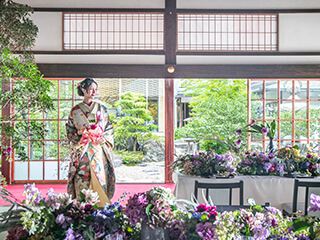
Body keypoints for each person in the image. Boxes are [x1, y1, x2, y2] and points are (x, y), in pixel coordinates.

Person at [66, 78, 115, 207]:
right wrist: (79, 134)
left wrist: (103, 138)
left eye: (95, 89)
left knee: (99, 176)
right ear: (83, 90)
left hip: (98, 149)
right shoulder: (75, 111)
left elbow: (109, 127)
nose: (94, 92)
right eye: (91, 89)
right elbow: (69, 130)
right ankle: (81, 207)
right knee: (82, 176)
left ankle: (99, 207)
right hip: (82, 148)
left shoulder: (101, 108)